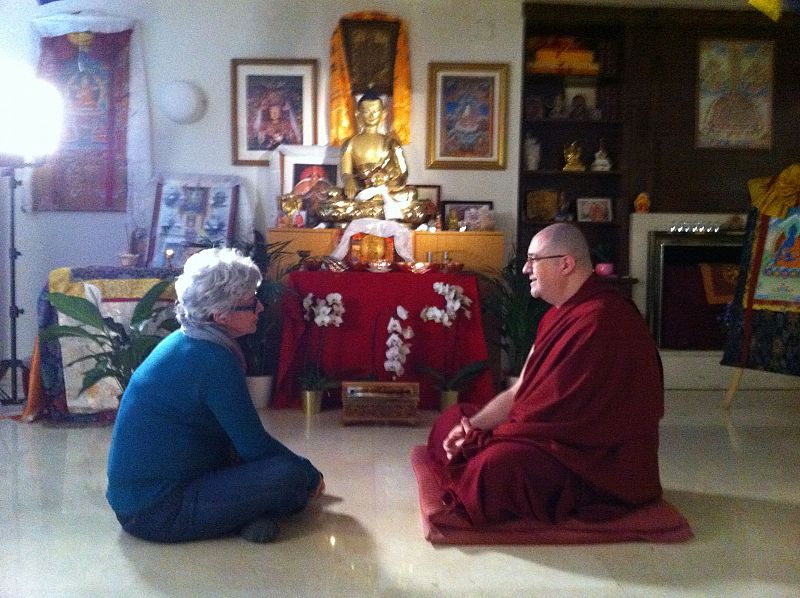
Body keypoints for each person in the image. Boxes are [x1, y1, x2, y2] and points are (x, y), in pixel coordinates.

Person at [426, 223, 664, 526]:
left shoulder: (604, 319)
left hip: (591, 458)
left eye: (533, 259)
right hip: (551, 433)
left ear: (565, 263)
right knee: (450, 419)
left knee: (494, 467)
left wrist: (487, 437)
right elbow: (519, 391)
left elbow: (560, 416)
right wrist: (470, 426)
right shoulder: (555, 315)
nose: (525, 269)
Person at [106, 248, 324, 543]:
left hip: (147, 498)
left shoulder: (188, 340)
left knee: (263, 467)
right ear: (220, 315)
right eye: (251, 303)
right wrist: (310, 474)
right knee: (289, 477)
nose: (260, 308)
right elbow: (254, 446)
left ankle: (241, 515)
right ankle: (243, 515)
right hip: (156, 511)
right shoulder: (211, 359)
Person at [316, 89, 430, 225]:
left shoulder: (391, 143)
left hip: (385, 192)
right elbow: (346, 173)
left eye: (375, 111)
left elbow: (402, 174)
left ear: (383, 114)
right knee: (333, 194)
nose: (371, 115)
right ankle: (379, 212)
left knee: (411, 193)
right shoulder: (350, 143)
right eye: (366, 111)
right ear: (358, 115)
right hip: (360, 191)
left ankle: (364, 212)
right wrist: (349, 181)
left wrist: (385, 181)